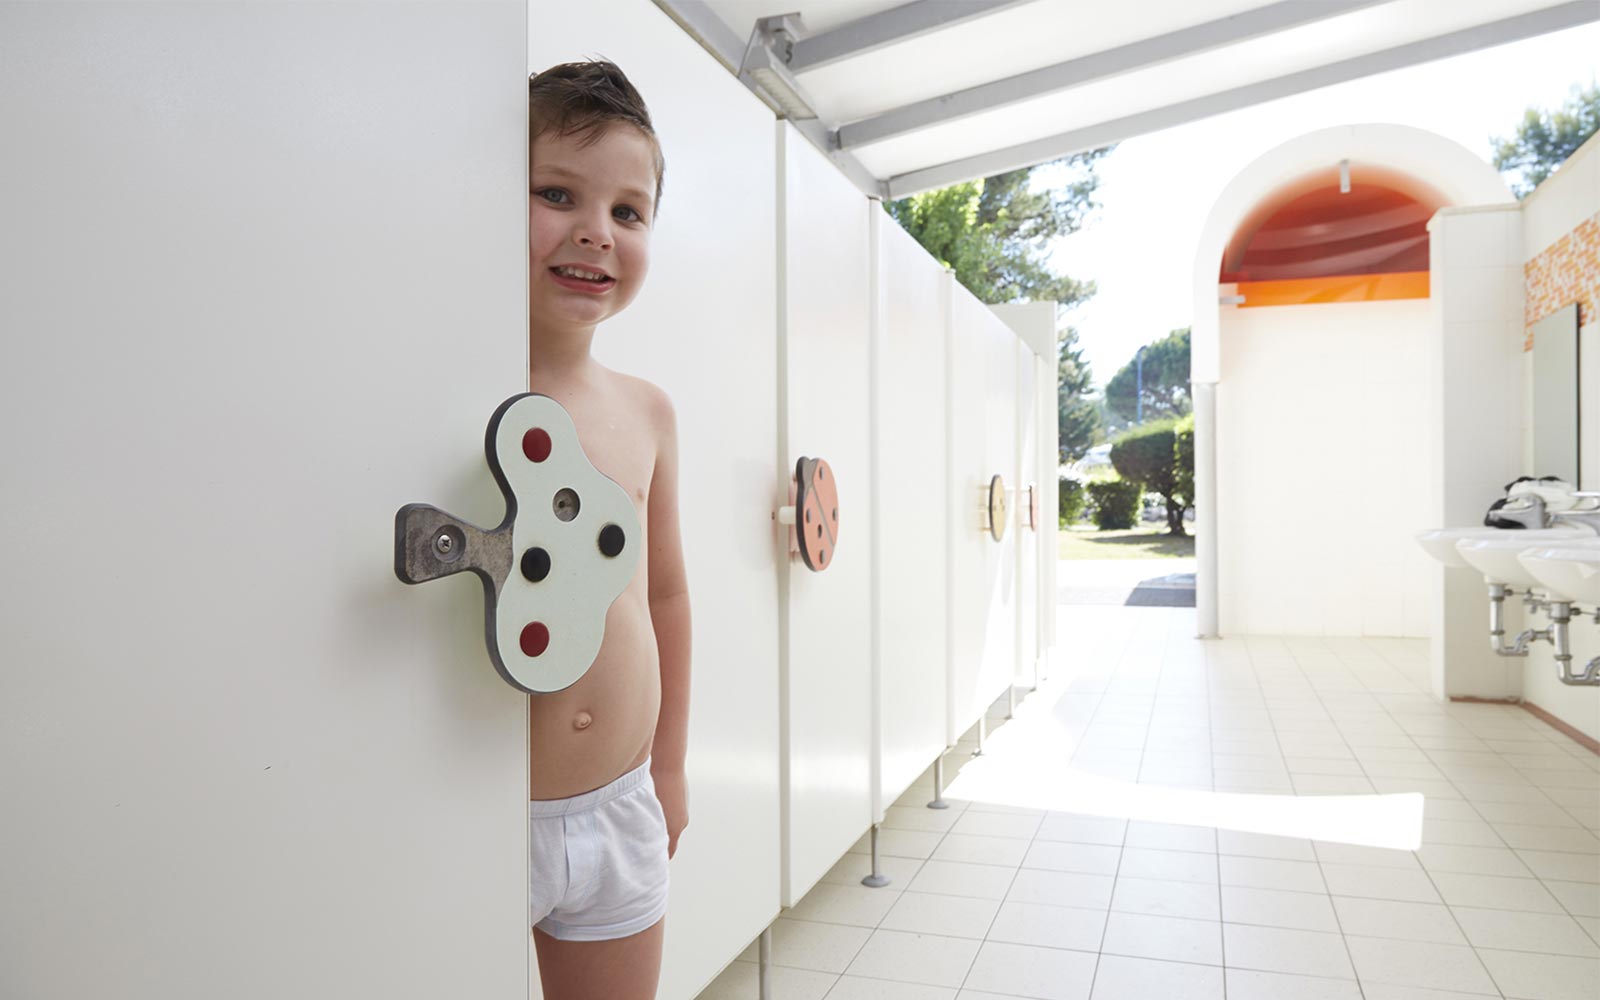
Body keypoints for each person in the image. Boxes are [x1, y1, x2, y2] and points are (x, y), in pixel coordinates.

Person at [525, 60, 690, 1000]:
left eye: (629, 211)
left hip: (620, 802)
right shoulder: (443, 398)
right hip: (475, 808)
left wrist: (670, 769)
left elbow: (664, 594)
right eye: (557, 194)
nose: (596, 230)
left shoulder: (646, 411)